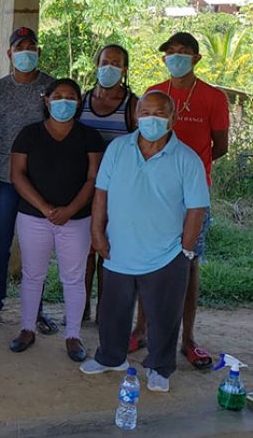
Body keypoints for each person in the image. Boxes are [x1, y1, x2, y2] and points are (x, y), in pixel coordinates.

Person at [80, 91, 209, 393]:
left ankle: (160, 368)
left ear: (173, 118)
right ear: (136, 115)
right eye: (146, 112)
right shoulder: (117, 149)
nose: (152, 119)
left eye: (160, 113)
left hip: (165, 255)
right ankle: (110, 357)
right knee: (113, 311)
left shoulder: (187, 160)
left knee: (165, 316)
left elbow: (196, 209)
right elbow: (101, 194)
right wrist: (97, 233)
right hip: (118, 249)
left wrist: (185, 251)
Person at [133, 32, 229, 369]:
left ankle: (187, 339)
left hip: (191, 195)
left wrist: (188, 170)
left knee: (187, 264)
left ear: (196, 58)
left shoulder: (213, 97)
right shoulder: (155, 93)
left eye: (183, 52)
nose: (175, 57)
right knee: (147, 258)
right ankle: (141, 328)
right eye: (170, 52)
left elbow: (221, 146)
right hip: (152, 190)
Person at [8, 78, 104, 362]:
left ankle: (73, 335)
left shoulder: (90, 136)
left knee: (74, 278)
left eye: (71, 96)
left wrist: (70, 210)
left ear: (79, 102)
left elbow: (93, 178)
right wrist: (47, 208)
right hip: (33, 217)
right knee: (33, 275)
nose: (64, 101)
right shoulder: (29, 134)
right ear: (46, 100)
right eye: (58, 95)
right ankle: (27, 328)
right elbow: (17, 175)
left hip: (77, 219)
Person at [0, 27, 58, 334]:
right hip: (2, 180)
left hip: (41, 185)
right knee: (0, 245)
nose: (27, 52)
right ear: (10, 54)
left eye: (32, 46)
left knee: (35, 248)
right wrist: (0, 159)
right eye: (20, 47)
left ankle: (36, 309)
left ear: (38, 52)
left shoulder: (52, 88)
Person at [78, 44, 138, 323]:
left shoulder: (133, 105)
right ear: (96, 64)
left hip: (119, 191)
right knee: (85, 251)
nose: (109, 67)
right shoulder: (83, 100)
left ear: (125, 70)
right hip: (85, 187)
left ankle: (104, 308)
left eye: (116, 63)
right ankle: (82, 307)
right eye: (105, 62)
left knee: (108, 251)